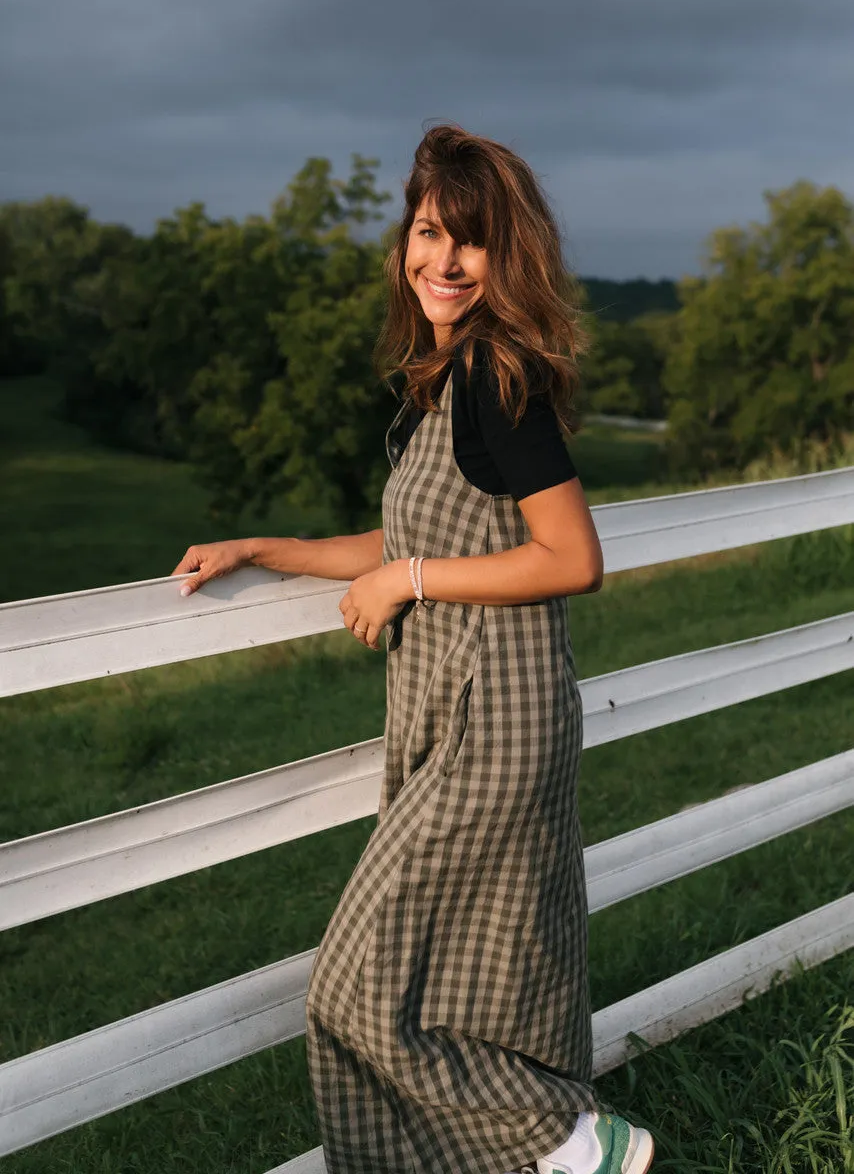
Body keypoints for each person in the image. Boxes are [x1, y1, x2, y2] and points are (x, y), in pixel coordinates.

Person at [173, 124, 654, 1174]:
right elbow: (398, 541)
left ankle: (567, 1138)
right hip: (462, 713)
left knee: (356, 985)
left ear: (504, 256)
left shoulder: (495, 372)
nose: (441, 258)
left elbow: (570, 555)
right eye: (428, 231)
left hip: (495, 722)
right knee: (463, 978)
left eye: (469, 241)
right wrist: (264, 546)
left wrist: (409, 581)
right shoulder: (446, 381)